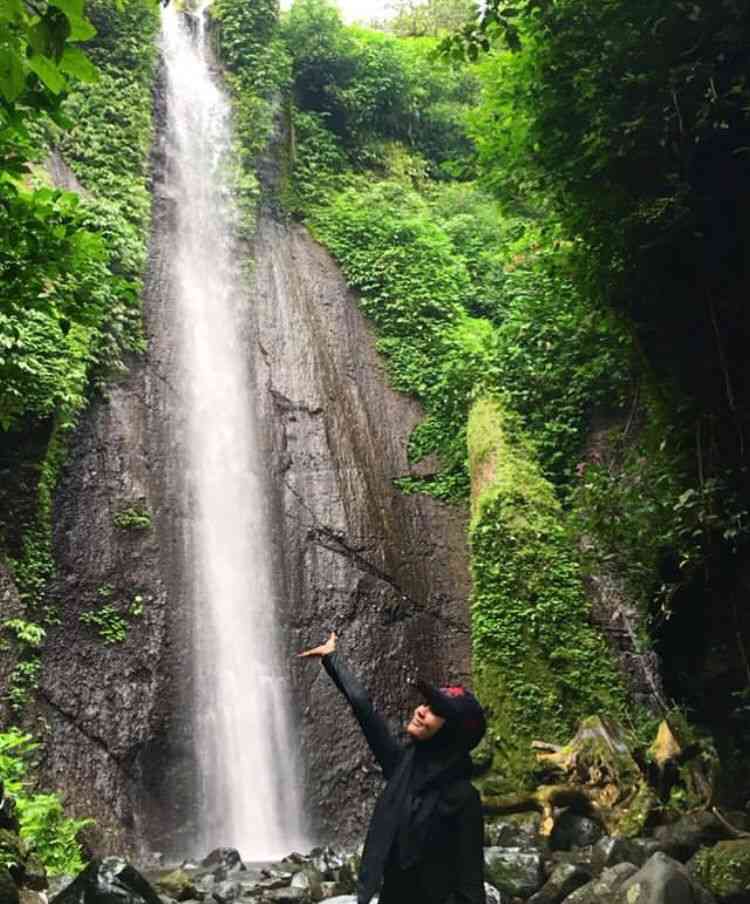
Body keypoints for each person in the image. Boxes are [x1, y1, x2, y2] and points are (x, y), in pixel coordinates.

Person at [299, 632, 487, 904]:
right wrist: (331, 658)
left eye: (436, 710)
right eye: (425, 703)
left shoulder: (464, 799)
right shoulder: (402, 766)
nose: (421, 711)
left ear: (452, 733)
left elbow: (471, 884)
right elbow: (365, 711)